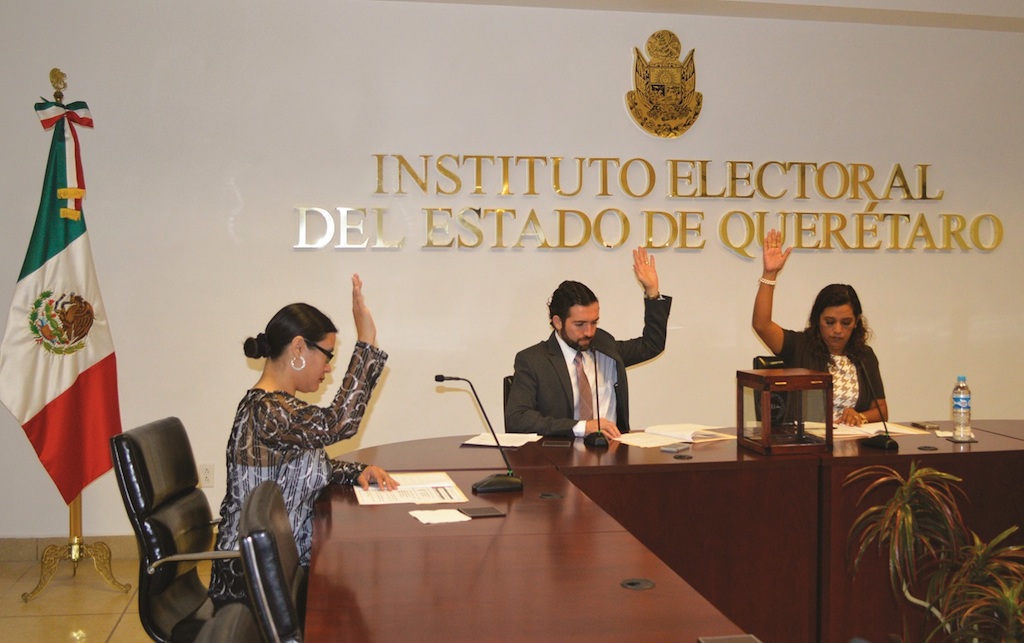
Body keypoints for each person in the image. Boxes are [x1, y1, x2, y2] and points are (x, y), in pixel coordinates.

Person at [209, 274, 397, 607]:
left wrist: (358, 472)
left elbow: (306, 464)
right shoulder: (267, 411)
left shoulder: (281, 408)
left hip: (281, 565)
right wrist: (366, 340)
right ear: (298, 348)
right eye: (328, 355)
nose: (328, 368)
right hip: (254, 579)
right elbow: (340, 423)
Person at [504, 247, 672, 439]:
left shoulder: (604, 346)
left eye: (594, 322)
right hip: (561, 453)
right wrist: (582, 427)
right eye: (580, 324)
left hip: (613, 450)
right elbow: (517, 418)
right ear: (557, 322)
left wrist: (652, 292)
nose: (589, 332)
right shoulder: (533, 361)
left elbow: (651, 345)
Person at [753, 229, 888, 426]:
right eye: (829, 322)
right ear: (817, 320)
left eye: (846, 323)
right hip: (808, 441)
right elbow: (761, 325)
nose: (838, 330)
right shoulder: (799, 347)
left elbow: (881, 410)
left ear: (856, 322)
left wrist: (860, 416)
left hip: (852, 441)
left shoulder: (864, 356)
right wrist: (770, 274)